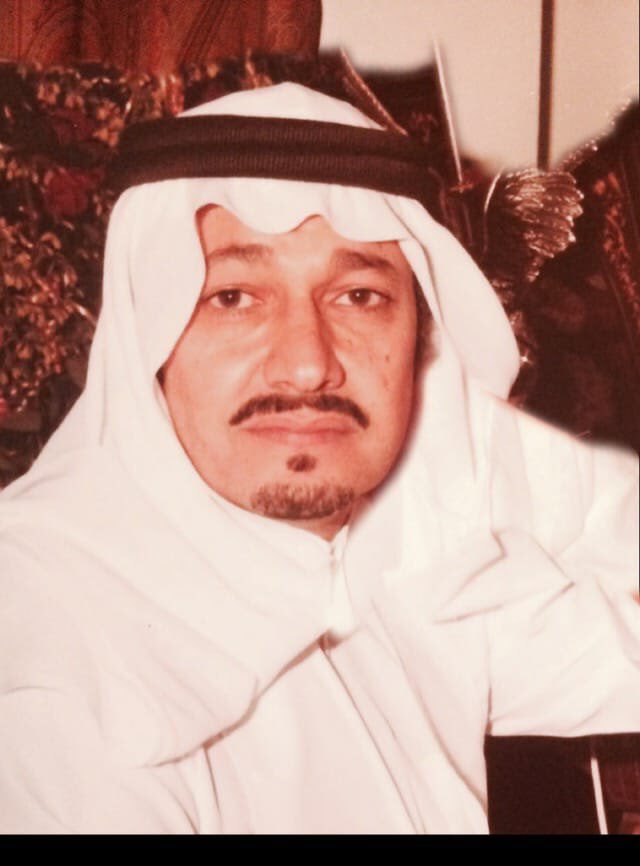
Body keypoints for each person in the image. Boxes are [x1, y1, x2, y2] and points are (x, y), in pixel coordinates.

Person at [0, 82, 638, 835]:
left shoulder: (395, 555)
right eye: (234, 297)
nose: (307, 366)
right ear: (149, 336)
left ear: (421, 341)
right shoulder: (51, 652)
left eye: (359, 297)